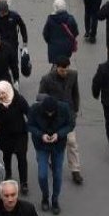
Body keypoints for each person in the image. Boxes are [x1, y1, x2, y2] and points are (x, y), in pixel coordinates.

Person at [38, 57, 83, 185]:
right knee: (54, 141)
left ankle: (75, 170)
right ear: (56, 67)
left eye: (66, 70)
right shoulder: (46, 79)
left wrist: (75, 110)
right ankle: (53, 160)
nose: (65, 72)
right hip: (52, 116)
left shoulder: (73, 75)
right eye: (62, 70)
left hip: (68, 114)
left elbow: (75, 93)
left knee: (71, 141)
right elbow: (41, 97)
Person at [28, 95, 74, 214]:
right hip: (41, 145)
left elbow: (70, 124)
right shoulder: (34, 109)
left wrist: (58, 134)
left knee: (57, 174)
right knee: (42, 175)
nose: (49, 114)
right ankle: (45, 196)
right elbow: (30, 125)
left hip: (58, 145)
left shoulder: (64, 108)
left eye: (51, 112)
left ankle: (55, 200)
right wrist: (41, 135)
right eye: (47, 112)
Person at [0, 80, 32, 195]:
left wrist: (30, 126)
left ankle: (24, 182)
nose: (1, 96)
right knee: (6, 155)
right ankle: (8, 173)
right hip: (5, 134)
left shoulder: (19, 99)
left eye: (3, 93)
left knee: (21, 158)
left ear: (8, 91)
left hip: (20, 134)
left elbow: (29, 112)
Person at [42, 0, 80, 66]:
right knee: (64, 63)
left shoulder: (50, 20)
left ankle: (55, 73)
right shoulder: (70, 19)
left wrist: (50, 42)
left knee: (56, 64)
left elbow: (45, 34)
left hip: (54, 47)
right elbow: (76, 32)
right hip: (67, 47)